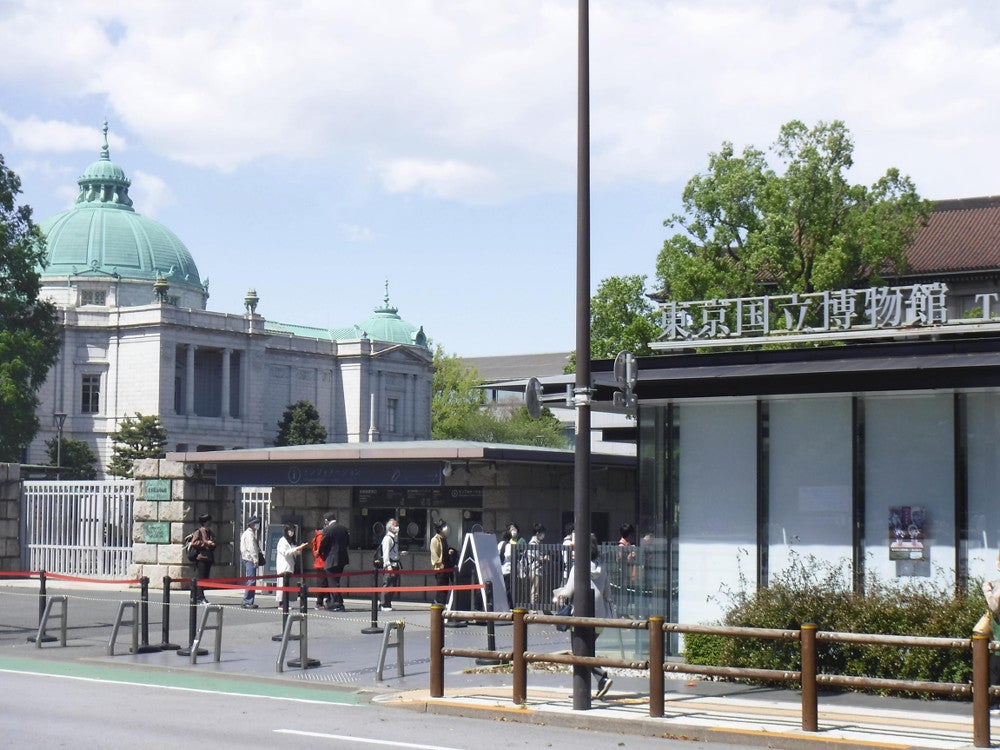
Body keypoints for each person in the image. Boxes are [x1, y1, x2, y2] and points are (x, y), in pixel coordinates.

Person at [553, 534, 615, 700]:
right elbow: (607, 593)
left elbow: (568, 591)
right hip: (600, 615)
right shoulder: (602, 567)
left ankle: (599, 679)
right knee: (588, 650)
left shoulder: (578, 567)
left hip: (581, 614)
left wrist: (558, 595)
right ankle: (590, 687)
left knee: (579, 651)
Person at [318, 512, 350, 611]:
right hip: (342, 558)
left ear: (327, 520)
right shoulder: (344, 528)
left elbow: (323, 544)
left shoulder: (328, 529)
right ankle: (334, 602)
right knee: (336, 580)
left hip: (331, 559)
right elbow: (348, 543)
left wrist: (320, 553)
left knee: (332, 582)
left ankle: (338, 603)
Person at [275, 524, 309, 606]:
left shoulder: (292, 541)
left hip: (290, 565)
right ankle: (281, 603)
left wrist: (299, 549)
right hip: (284, 566)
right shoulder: (282, 541)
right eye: (290, 530)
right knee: (283, 585)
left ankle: (286, 603)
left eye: (293, 530)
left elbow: (294, 552)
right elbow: (286, 552)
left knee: (288, 585)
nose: (291, 532)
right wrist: (297, 548)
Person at [379, 517, 406, 611]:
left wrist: (399, 554)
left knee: (392, 585)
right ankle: (383, 604)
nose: (397, 527)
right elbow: (385, 553)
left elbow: (392, 552)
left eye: (397, 525)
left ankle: (388, 603)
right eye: (395, 525)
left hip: (395, 565)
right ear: (390, 527)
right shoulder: (387, 538)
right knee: (387, 584)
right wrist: (388, 565)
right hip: (390, 566)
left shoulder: (394, 538)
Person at [189, 513, 216, 604]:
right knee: (200, 579)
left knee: (204, 579)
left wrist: (213, 544)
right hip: (201, 558)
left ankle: (197, 596)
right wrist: (206, 543)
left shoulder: (210, 532)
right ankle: (200, 597)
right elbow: (194, 542)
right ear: (205, 522)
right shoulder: (199, 531)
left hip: (208, 558)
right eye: (209, 521)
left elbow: (214, 542)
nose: (210, 522)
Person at [240, 515, 263, 608]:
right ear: (251, 524)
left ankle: (249, 600)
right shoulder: (249, 534)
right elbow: (252, 548)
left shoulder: (248, 533)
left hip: (247, 558)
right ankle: (247, 601)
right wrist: (255, 560)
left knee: (251, 579)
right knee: (251, 580)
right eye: (256, 523)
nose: (257, 525)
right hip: (249, 559)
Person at [527, 523, 550, 611]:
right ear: (537, 533)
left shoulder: (539, 543)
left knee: (542, 589)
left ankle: (544, 608)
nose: (543, 535)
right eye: (542, 533)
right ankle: (533, 608)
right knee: (535, 589)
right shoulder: (532, 543)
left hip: (540, 570)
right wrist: (545, 558)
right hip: (534, 569)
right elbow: (539, 557)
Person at [430, 520, 452, 606]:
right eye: (443, 526)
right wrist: (439, 563)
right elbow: (434, 553)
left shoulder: (444, 538)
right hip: (440, 566)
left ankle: (443, 601)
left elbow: (445, 551)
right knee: (441, 584)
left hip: (447, 565)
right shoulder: (435, 540)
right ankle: (438, 601)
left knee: (446, 584)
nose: (445, 528)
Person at [310, 526, 327, 608]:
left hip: (319, 562)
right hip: (321, 562)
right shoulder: (320, 536)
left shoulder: (317, 536)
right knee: (322, 583)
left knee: (323, 583)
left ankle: (320, 601)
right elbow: (320, 550)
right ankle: (319, 602)